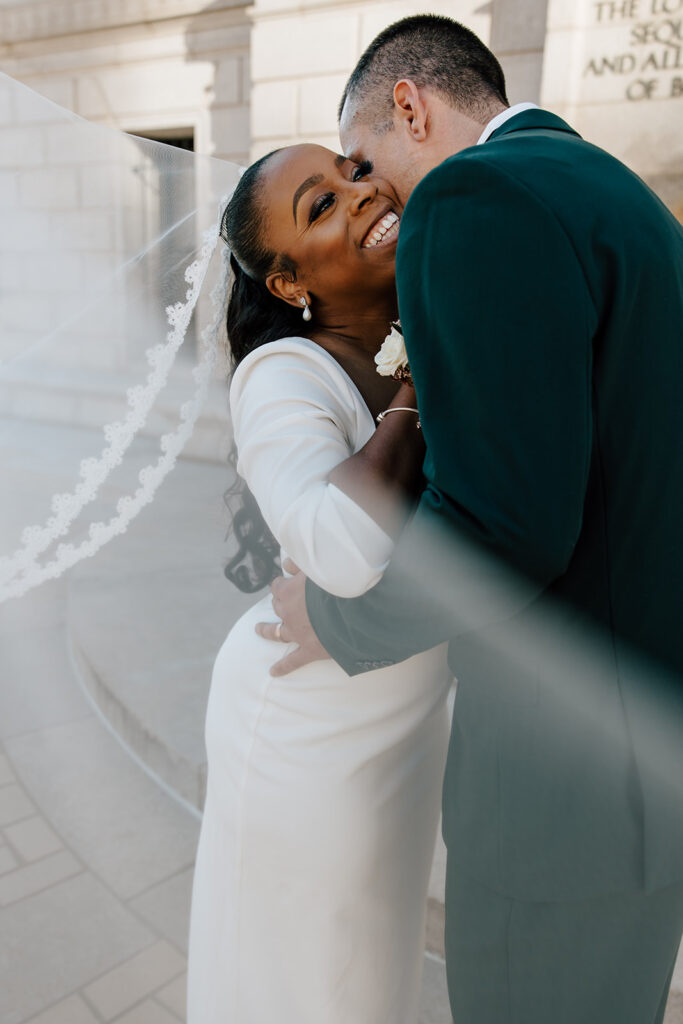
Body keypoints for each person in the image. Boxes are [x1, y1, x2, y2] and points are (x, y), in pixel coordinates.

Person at [261, 14, 683, 1024]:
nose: (375, 197)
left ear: (410, 104)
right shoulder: (617, 195)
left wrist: (339, 619)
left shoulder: (470, 196)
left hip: (558, 799)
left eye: (365, 162)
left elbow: (502, 523)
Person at [185, 143, 452, 1023]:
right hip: (303, 726)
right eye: (320, 204)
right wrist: (419, 372)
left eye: (350, 169)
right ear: (291, 285)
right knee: (305, 982)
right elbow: (340, 550)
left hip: (401, 719)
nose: (362, 190)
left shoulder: (441, 318)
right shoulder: (280, 378)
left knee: (373, 973)